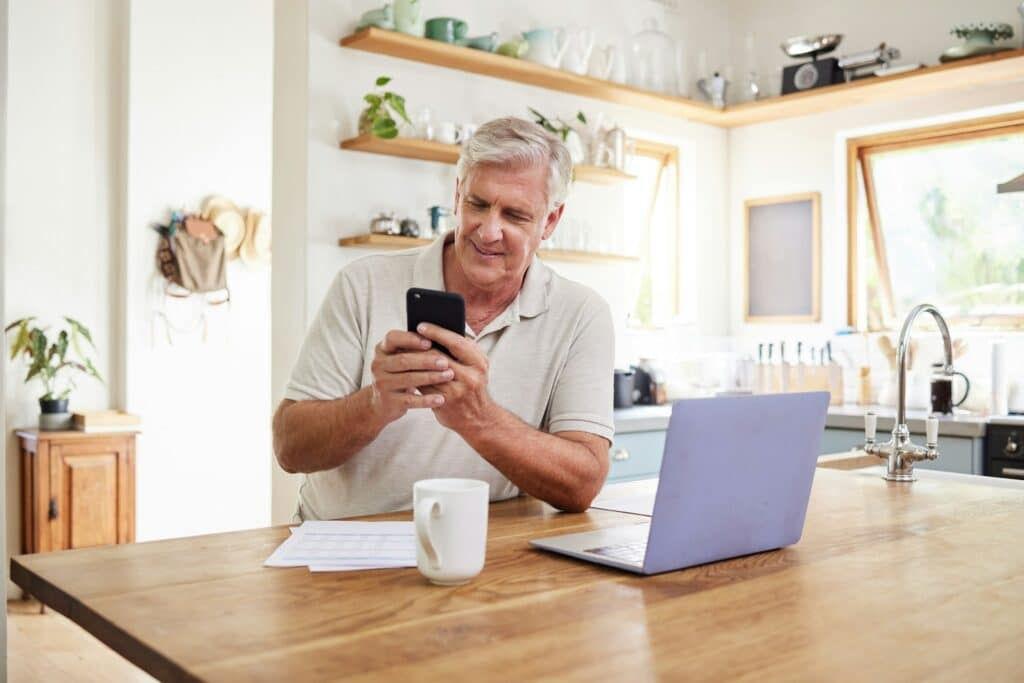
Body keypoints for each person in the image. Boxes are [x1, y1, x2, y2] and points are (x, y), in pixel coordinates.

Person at [273, 116, 614, 521]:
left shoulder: (581, 314)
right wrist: (375, 404)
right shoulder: (362, 283)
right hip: (341, 552)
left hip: (490, 554)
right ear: (457, 197)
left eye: (515, 216)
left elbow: (582, 485)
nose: (488, 231)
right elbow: (290, 449)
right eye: (478, 204)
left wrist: (478, 417)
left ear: (550, 222)